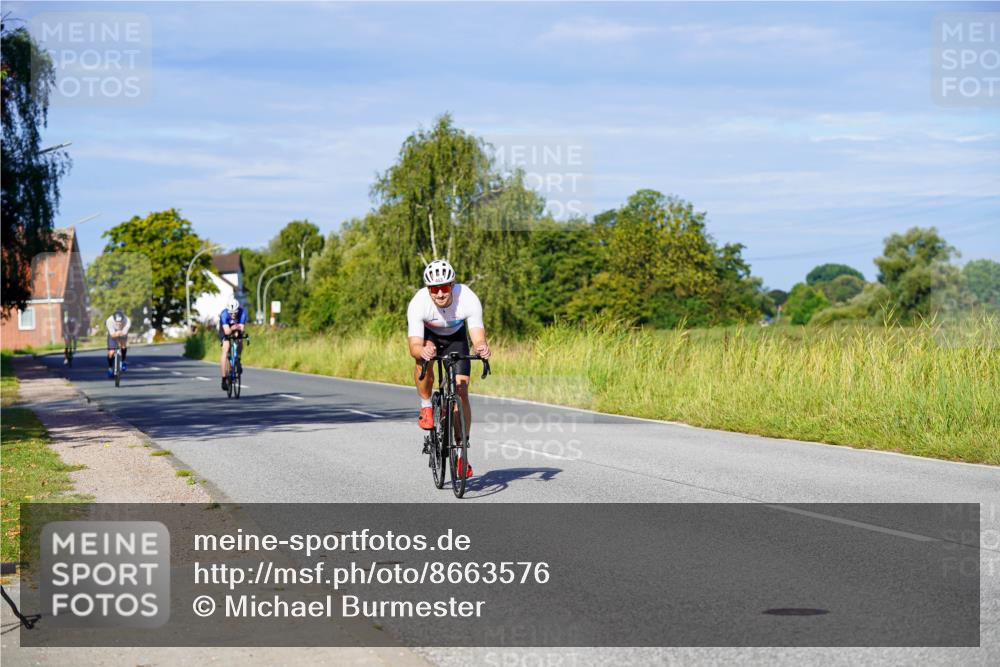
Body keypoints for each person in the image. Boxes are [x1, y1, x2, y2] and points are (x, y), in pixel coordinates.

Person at [407, 259, 491, 478]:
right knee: (422, 360)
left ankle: (462, 450)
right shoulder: (418, 303)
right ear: (428, 290)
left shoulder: (468, 298)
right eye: (434, 289)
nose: (440, 293)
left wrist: (481, 347)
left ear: (452, 285)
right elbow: (413, 346)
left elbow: (477, 336)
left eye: (445, 287)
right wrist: (422, 350)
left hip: (456, 338)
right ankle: (426, 406)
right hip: (429, 337)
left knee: (461, 389)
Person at [219, 298, 247, 391]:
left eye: (235, 312)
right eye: (231, 313)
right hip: (225, 329)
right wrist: (233, 328)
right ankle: (223, 378)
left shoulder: (242, 313)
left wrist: (237, 329)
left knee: (239, 339)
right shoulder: (224, 314)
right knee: (226, 349)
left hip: (236, 329)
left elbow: (242, 329)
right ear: (228, 311)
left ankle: (238, 360)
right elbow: (227, 331)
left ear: (238, 310)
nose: (233, 315)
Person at [105, 310, 130, 378]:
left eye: (120, 322)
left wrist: (121, 333)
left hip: (122, 332)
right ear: (114, 320)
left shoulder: (127, 320)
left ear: (123, 319)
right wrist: (116, 333)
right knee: (111, 352)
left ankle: (123, 361)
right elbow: (112, 335)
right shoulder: (109, 321)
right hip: (113, 333)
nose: (119, 324)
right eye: (117, 322)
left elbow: (125, 332)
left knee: (123, 346)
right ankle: (110, 368)